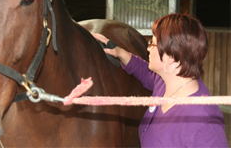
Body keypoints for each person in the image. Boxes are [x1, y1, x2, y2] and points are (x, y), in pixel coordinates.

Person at [92, 13, 228, 147]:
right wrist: (120, 53)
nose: (148, 48)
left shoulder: (205, 123)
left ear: (171, 57)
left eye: (152, 44)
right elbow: (145, 73)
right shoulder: (165, 83)